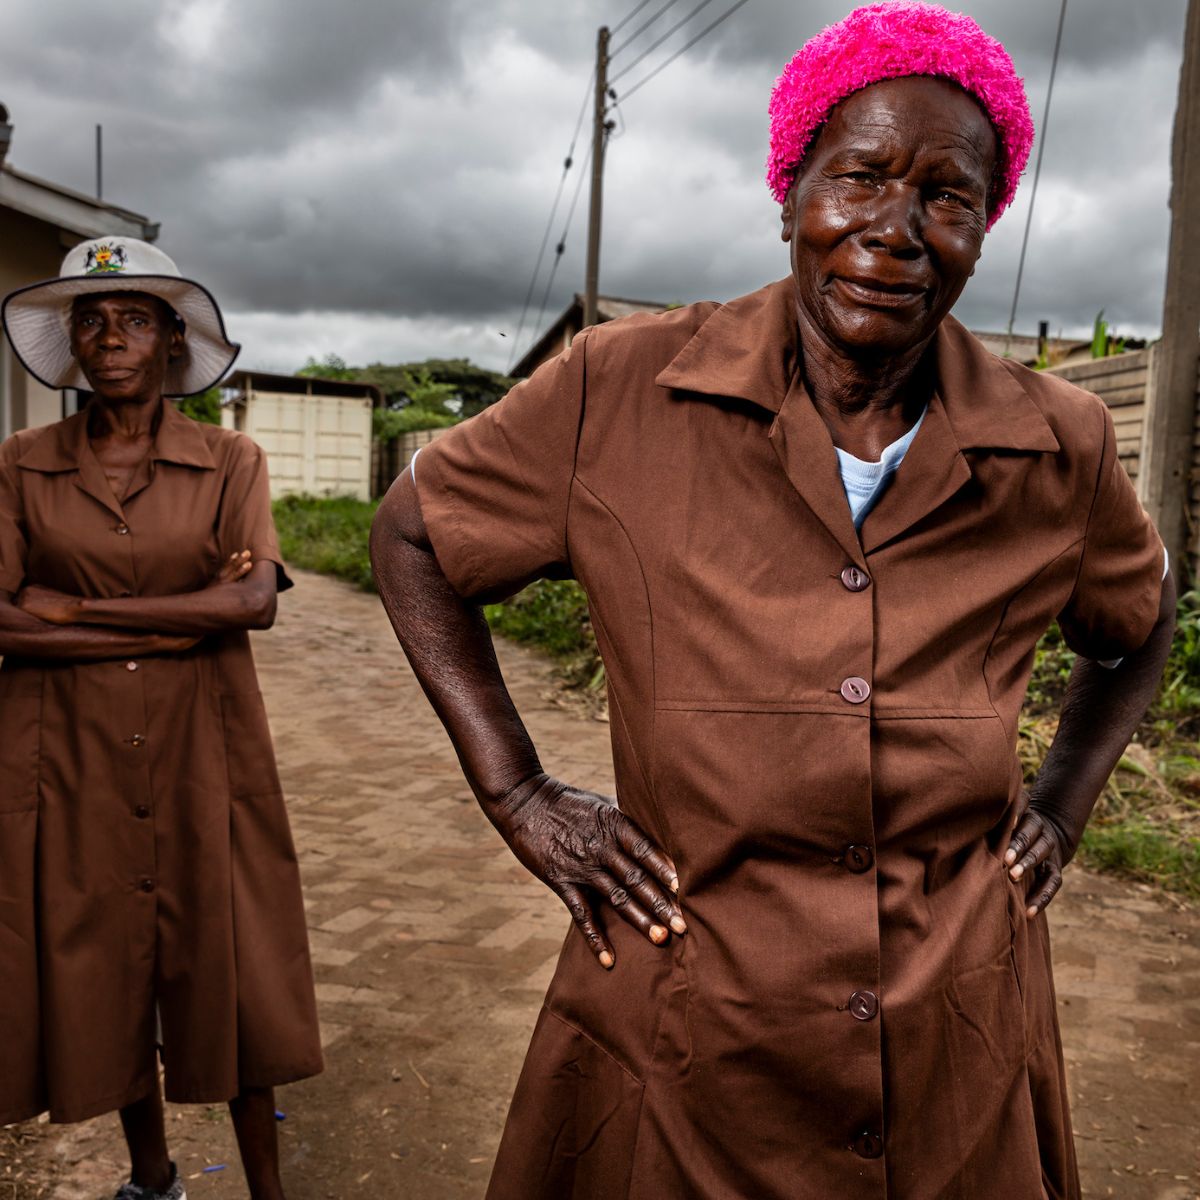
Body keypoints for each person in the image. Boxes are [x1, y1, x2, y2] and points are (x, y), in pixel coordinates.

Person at [369, 5, 1174, 1197]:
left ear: (984, 230)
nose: (894, 231)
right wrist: (519, 792)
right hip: (689, 1020)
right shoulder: (617, 391)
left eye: (947, 197)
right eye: (860, 177)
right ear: (790, 191)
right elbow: (415, 534)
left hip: (950, 1032)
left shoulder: (1060, 442)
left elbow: (1142, 619)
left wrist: (1061, 805)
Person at [0, 237, 322, 1200]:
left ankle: (267, 1193)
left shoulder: (230, 460)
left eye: (134, 320)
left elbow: (252, 603)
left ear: (172, 340)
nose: (110, 339)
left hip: (202, 748)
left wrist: (71, 610)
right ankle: (152, 1179)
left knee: (232, 959)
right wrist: (186, 618)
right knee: (105, 958)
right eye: (92, 321)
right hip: (68, 754)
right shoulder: (19, 464)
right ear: (73, 342)